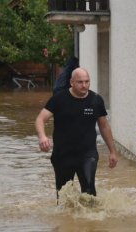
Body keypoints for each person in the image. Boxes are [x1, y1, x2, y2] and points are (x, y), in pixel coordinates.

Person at [35, 67, 118, 198]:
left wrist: (112, 151)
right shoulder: (59, 99)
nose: (84, 85)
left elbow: (104, 127)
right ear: (71, 82)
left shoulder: (96, 100)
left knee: (89, 191)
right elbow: (40, 119)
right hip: (63, 154)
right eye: (80, 82)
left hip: (87, 154)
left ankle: (90, 218)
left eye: (87, 81)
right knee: (63, 195)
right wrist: (42, 137)